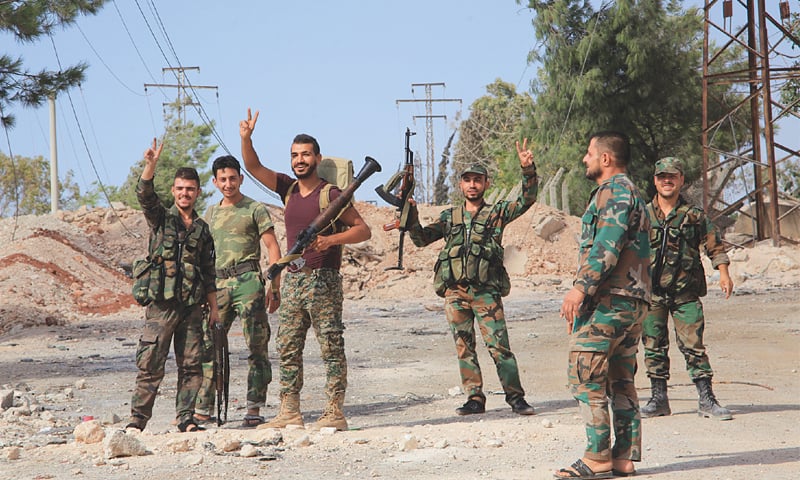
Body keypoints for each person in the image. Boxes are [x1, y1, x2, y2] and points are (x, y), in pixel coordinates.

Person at [239, 108, 371, 431]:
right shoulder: (288, 189)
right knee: (287, 346)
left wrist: (330, 241)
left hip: (323, 279)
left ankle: (334, 412)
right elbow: (253, 167)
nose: (299, 160)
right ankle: (289, 411)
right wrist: (246, 138)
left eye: (305, 155)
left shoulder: (331, 194)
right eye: (295, 155)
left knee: (330, 345)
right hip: (295, 279)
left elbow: (363, 230)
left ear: (317, 157)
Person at [405, 139, 538, 417]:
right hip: (455, 293)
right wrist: (411, 216)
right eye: (467, 180)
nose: (472, 185)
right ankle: (474, 398)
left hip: (486, 293)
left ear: (486, 184)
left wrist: (528, 170)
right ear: (461, 185)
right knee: (464, 348)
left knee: (500, 347)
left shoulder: (497, 213)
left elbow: (527, 200)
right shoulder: (449, 217)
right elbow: (421, 239)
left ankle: (516, 398)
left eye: (478, 180)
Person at [557, 131, 650, 479]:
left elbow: (606, 245)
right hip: (632, 302)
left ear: (606, 159)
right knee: (621, 379)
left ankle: (597, 458)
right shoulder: (633, 193)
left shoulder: (614, 191)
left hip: (609, 300)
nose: (585, 159)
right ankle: (623, 457)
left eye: (589, 153)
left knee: (585, 376)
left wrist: (579, 290)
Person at [126, 139, 220, 433]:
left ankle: (186, 418)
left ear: (198, 192)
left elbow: (208, 272)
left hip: (191, 307)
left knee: (192, 365)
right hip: (161, 305)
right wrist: (150, 165)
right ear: (174, 191)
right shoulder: (161, 219)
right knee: (151, 363)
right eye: (180, 188)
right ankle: (137, 421)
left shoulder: (203, 230)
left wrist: (214, 308)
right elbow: (144, 195)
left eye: (190, 189)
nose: (184, 193)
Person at [640, 157, 733, 421]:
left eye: (672, 176)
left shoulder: (694, 216)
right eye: (661, 177)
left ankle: (707, 399)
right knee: (653, 346)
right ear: (655, 181)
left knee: (694, 345)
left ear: (681, 180)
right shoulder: (643, 215)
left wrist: (724, 273)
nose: (666, 181)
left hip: (685, 294)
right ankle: (658, 399)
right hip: (652, 295)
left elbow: (714, 246)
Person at [193, 155, 283, 428]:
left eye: (233, 178)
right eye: (223, 179)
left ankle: (254, 406)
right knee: (209, 346)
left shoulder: (254, 209)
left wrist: (274, 286)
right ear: (214, 182)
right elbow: (201, 253)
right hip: (217, 285)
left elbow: (273, 248)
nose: (228, 184)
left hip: (248, 283)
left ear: (241, 179)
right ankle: (204, 407)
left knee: (256, 345)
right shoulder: (210, 214)